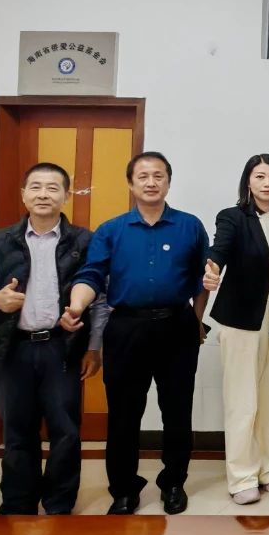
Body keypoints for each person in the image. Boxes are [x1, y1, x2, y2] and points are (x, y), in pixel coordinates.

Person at [63, 151, 210, 515]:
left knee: (177, 410)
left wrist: (196, 321)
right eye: (143, 176)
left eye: (158, 175)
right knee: (124, 413)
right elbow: (92, 275)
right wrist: (76, 306)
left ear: (169, 182)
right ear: (130, 183)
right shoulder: (111, 230)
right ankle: (124, 489)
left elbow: (202, 280)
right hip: (126, 328)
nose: (151, 182)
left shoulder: (190, 226)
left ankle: (173, 483)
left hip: (177, 326)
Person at [0, 162, 104, 515]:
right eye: (36, 187)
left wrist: (93, 347)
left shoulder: (84, 241)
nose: (44, 194)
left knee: (66, 432)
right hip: (14, 348)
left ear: (66, 196)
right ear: (24, 194)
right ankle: (18, 505)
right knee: (17, 432)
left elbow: (101, 298)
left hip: (62, 347)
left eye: (53, 188)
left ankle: (59, 505)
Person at [201, 154, 269, 505]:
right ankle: (242, 476)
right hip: (242, 317)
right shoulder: (233, 217)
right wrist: (212, 269)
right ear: (248, 181)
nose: (267, 183)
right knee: (242, 399)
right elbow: (219, 250)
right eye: (260, 176)